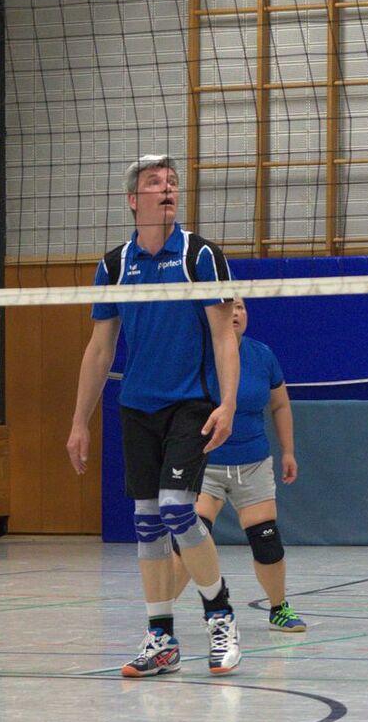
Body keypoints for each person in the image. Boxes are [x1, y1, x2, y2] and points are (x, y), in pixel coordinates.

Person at [65, 154, 242, 677]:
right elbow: (100, 348)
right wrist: (79, 421)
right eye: (154, 182)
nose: (166, 188)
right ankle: (161, 638)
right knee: (146, 522)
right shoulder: (114, 265)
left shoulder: (200, 255)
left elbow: (224, 335)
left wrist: (228, 403)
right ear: (132, 199)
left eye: (172, 182)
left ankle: (220, 616)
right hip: (137, 405)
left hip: (191, 402)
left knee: (176, 509)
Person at [168, 296, 306, 633]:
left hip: (253, 462)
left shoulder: (263, 355)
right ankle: (160, 617)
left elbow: (280, 406)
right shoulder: (196, 354)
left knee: (266, 538)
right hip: (205, 464)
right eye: (229, 307)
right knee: (190, 536)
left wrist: (288, 451)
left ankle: (279, 608)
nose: (235, 313)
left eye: (241, 307)